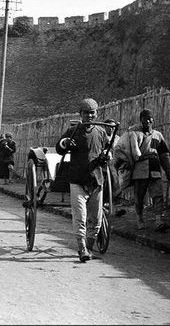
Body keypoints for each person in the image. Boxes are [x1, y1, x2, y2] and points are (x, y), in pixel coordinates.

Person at [55, 98, 110, 262]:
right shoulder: (73, 130)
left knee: (96, 218)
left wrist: (106, 156)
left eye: (92, 112)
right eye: (86, 113)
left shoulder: (101, 132)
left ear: (96, 113)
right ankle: (82, 248)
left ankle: (90, 247)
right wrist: (66, 143)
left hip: (96, 180)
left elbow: (108, 149)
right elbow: (59, 147)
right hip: (77, 180)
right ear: (80, 114)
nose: (89, 116)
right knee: (80, 216)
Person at [123, 109, 170, 232]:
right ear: (141, 120)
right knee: (139, 197)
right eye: (145, 118)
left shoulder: (158, 135)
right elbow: (128, 152)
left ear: (153, 120)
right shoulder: (134, 134)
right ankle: (140, 219)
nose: (148, 121)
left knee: (158, 195)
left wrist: (169, 171)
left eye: (150, 118)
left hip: (155, 168)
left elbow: (164, 155)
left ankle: (158, 221)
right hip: (140, 171)